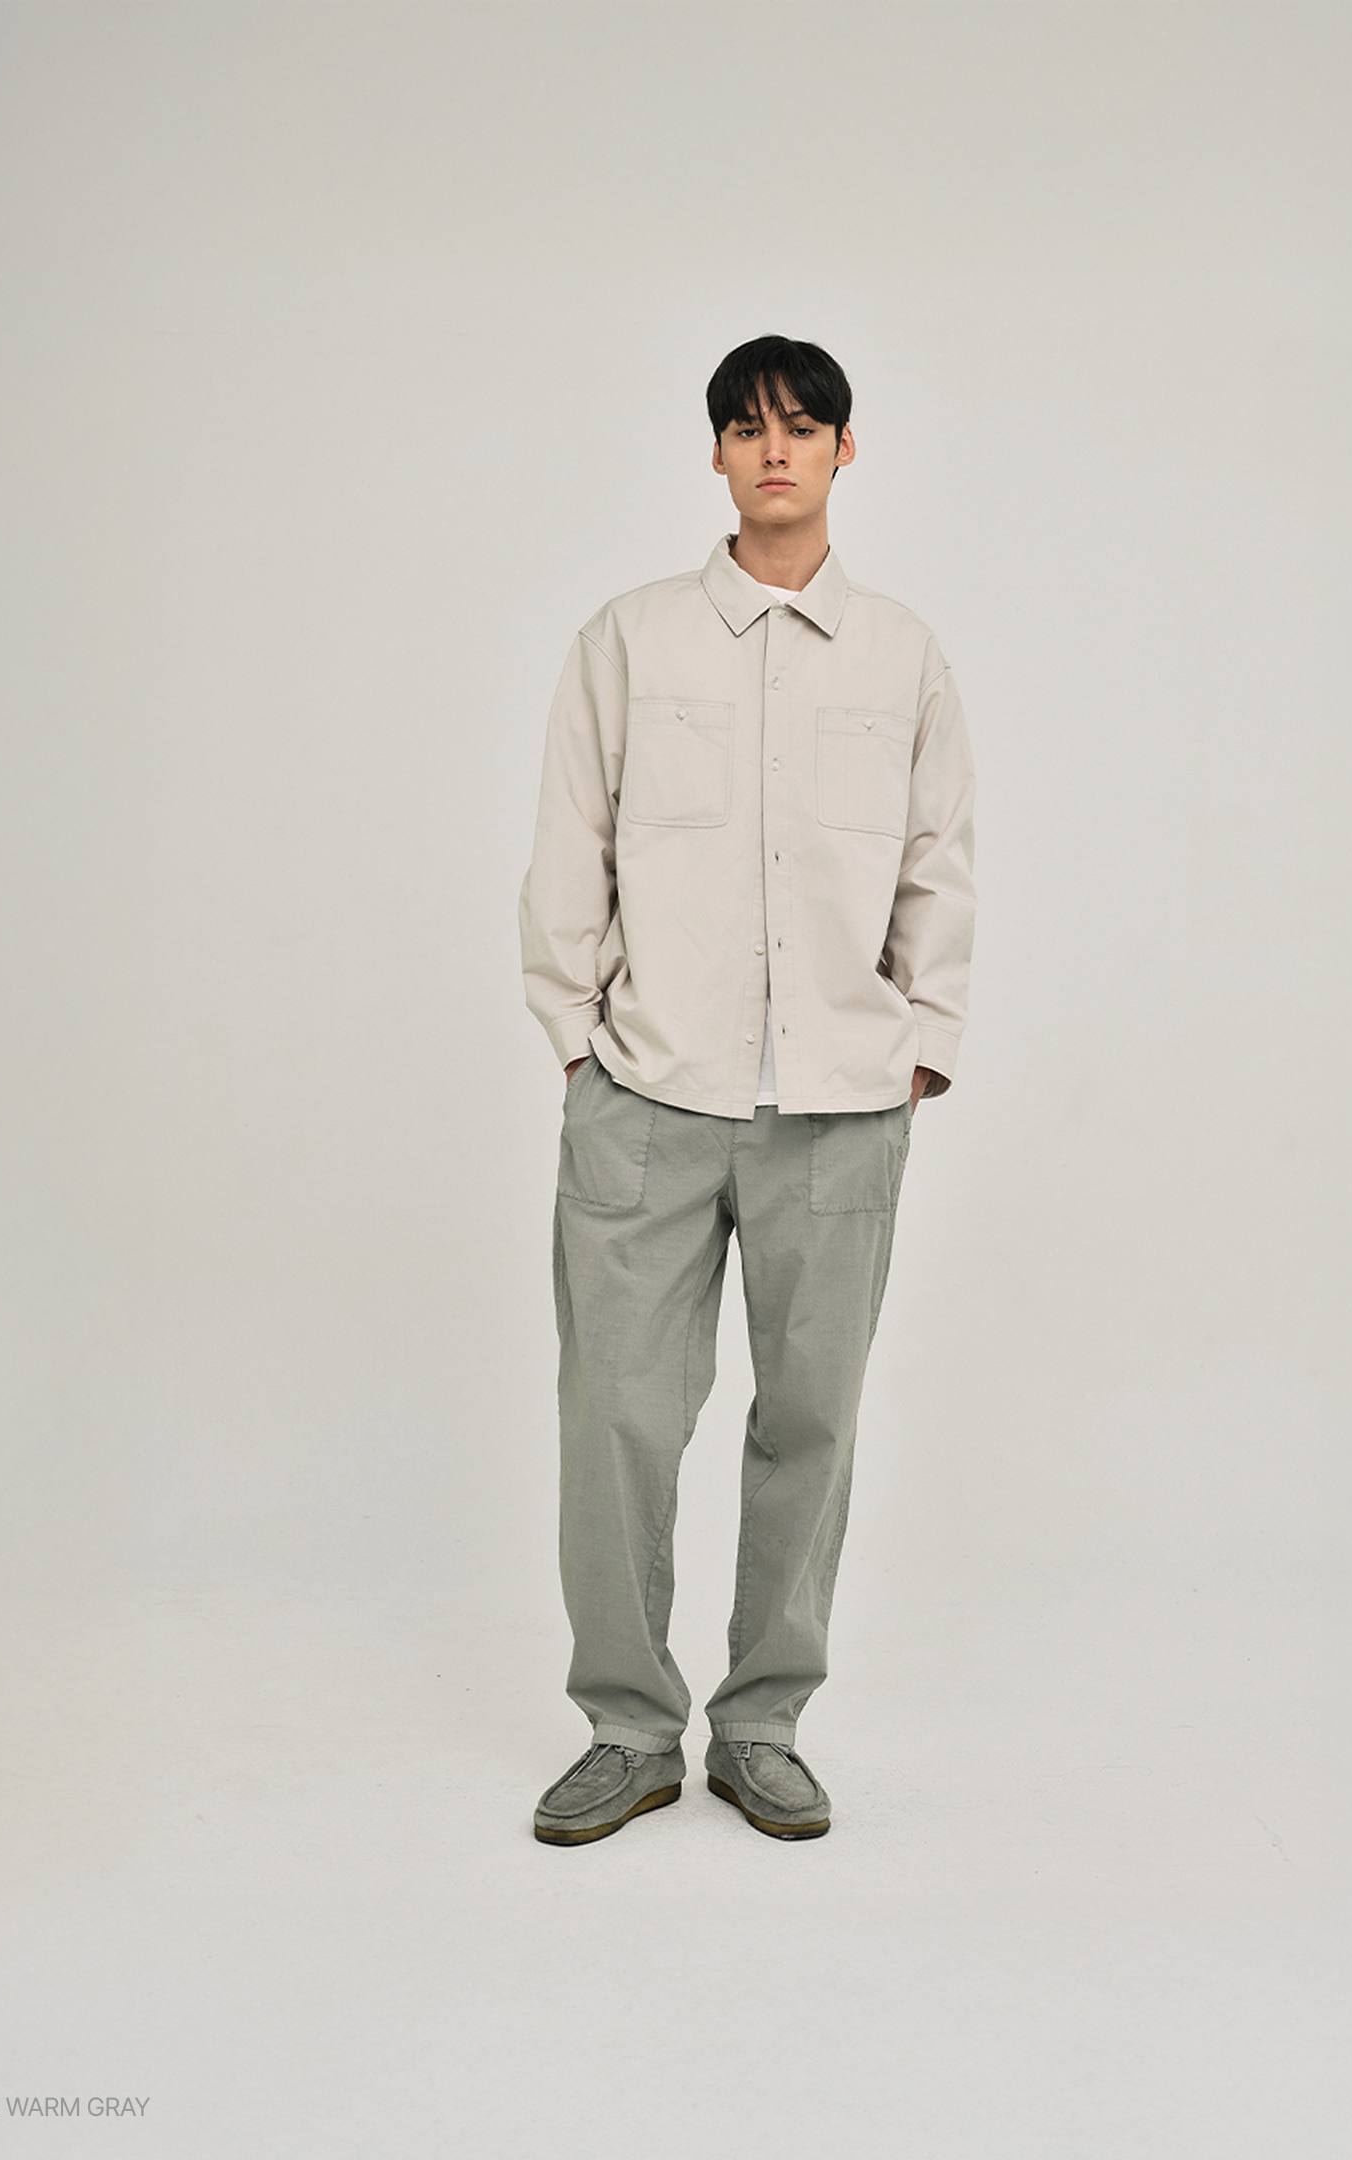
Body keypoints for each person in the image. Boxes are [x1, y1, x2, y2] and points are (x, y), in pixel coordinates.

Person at [517, 334, 977, 1845]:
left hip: (841, 1104)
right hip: (647, 1096)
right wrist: (577, 1037)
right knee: (616, 1419)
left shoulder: (902, 654)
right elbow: (571, 842)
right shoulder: (630, 639)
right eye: (746, 427)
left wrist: (921, 1037)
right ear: (715, 453)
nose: (774, 449)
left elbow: (938, 861)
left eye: (802, 426)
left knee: (812, 1425)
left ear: (846, 450)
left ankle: (764, 1723)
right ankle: (627, 1728)